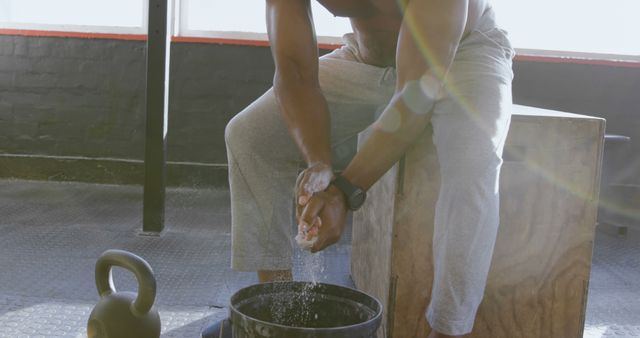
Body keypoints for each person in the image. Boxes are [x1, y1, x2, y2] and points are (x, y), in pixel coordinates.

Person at [204, 0, 515, 337]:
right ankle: (279, 310)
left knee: (474, 160)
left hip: (463, 57)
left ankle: (447, 329)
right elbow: (294, 72)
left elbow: (416, 95)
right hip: (366, 58)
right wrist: (318, 164)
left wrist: (344, 191)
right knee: (250, 135)